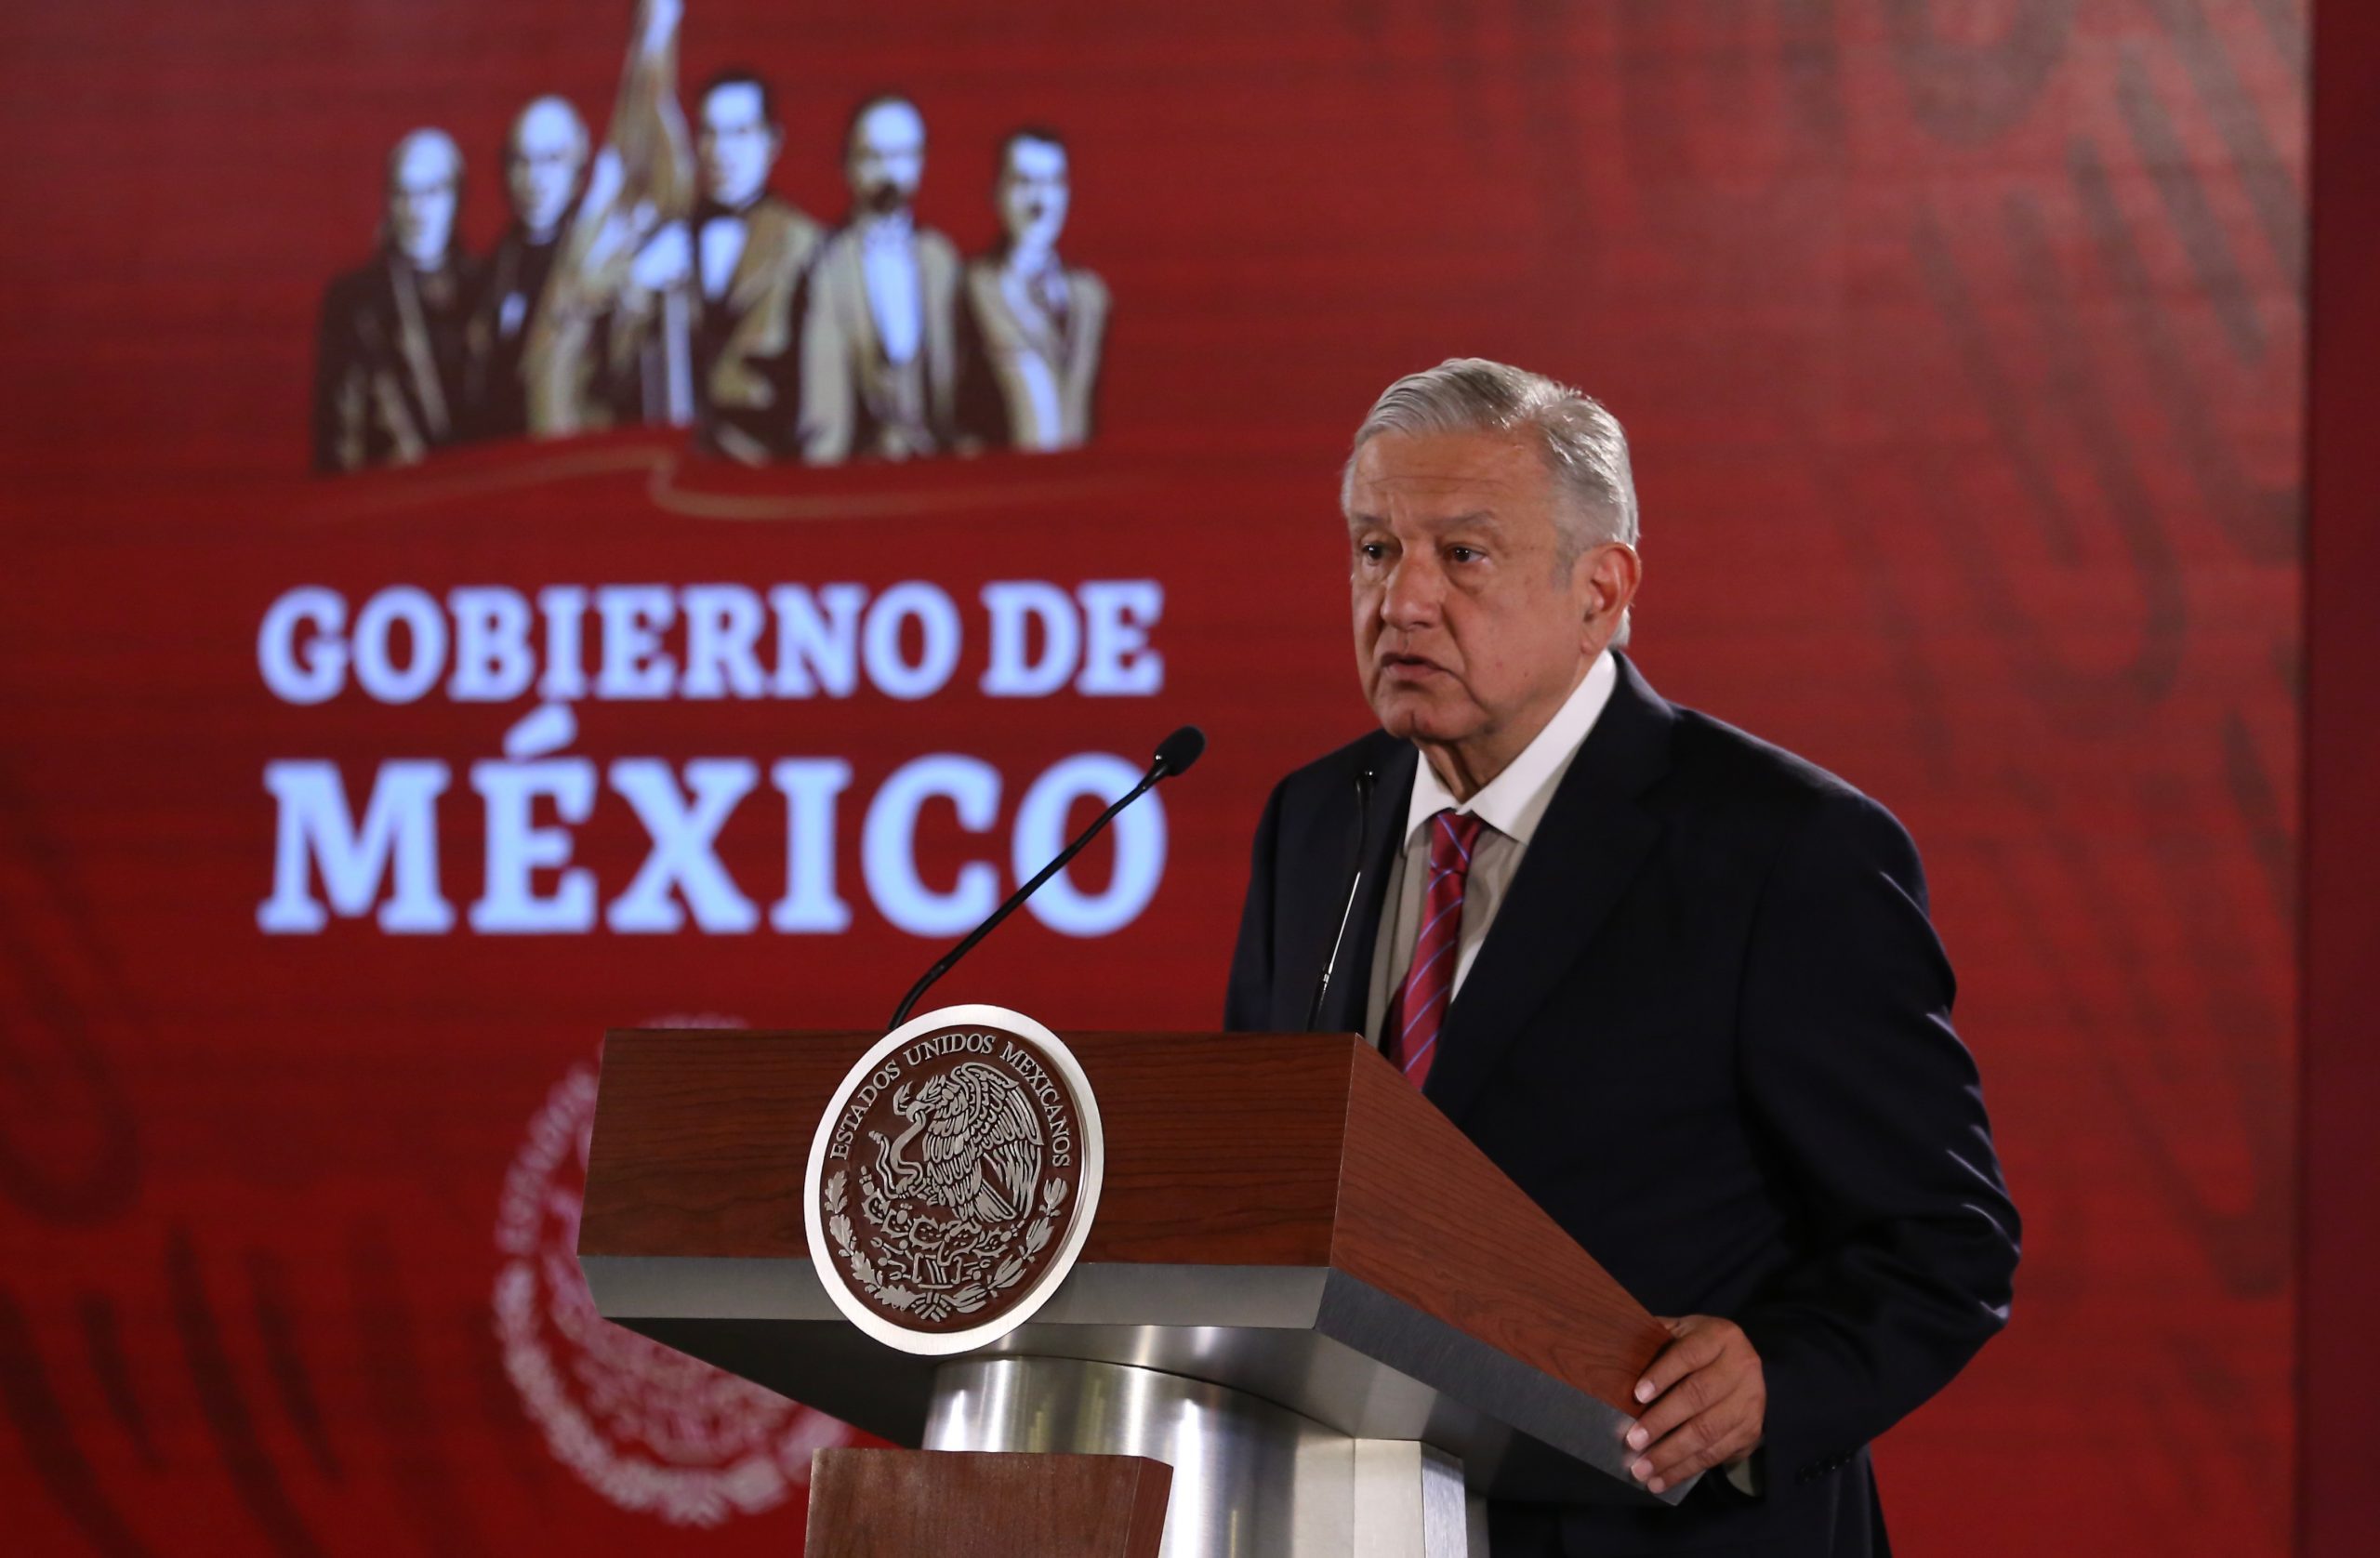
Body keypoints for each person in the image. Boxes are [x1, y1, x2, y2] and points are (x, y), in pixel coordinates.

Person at [1223, 360, 2020, 1557]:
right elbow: (1262, 1174)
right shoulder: (1314, 818)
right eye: (1375, 548)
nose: (1403, 602)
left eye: (1463, 555)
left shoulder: (1781, 849)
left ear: (1602, 589)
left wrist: (1775, 1376)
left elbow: (1943, 1239)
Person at [622, 68, 823, 462]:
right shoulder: (664, 239)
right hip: (673, 467)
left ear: (772, 143)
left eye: (740, 133)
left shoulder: (806, 245)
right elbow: (616, 373)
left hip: (769, 468)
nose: (721, 150)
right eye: (709, 133)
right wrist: (636, 290)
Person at [796, 95, 961, 463]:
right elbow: (824, 408)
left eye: (902, 156)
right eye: (872, 157)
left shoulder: (942, 261)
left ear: (920, 163)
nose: (888, 173)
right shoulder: (826, 267)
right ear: (847, 165)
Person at [312, 129, 474, 472]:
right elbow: (342, 433)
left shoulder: (485, 283)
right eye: (404, 194)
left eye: (431, 192)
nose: (417, 210)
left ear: (456, 196)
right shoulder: (353, 301)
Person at [954, 127, 1108, 452]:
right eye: (1024, 183)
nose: (1040, 201)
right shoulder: (971, 287)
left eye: (1052, 183)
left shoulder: (1091, 296)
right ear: (997, 192)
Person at [463, 96, 590, 442]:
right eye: (522, 161)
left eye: (551, 160)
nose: (535, 178)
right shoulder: (493, 266)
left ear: (578, 169)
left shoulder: (598, 262)